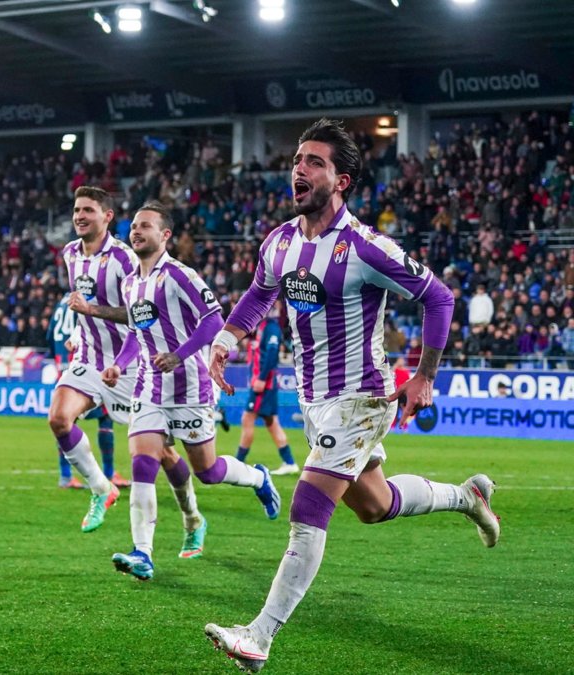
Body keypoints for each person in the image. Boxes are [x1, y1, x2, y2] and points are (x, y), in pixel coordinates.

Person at [203, 119, 500, 673]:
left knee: (308, 504)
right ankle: (466, 497)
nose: (299, 168)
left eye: (314, 162)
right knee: (373, 504)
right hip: (316, 401)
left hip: (361, 397)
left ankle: (259, 635)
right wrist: (224, 340)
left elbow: (440, 297)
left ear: (341, 181)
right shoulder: (280, 242)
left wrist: (424, 375)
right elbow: (258, 295)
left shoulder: (364, 246)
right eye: (298, 158)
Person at [100, 202, 282, 581]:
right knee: (142, 464)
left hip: (192, 389)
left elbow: (214, 320)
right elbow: (137, 333)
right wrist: (119, 363)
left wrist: (180, 356)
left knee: (209, 472)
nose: (136, 232)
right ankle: (143, 553)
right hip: (150, 388)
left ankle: (259, 478)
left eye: (145, 226)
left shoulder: (180, 275)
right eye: (133, 226)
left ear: (164, 235)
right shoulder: (131, 281)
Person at [48, 186, 138, 532]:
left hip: (128, 364)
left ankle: (196, 514)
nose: (79, 216)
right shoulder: (70, 253)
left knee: (172, 456)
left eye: (87, 210)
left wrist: (91, 310)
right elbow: (84, 305)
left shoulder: (124, 258)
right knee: (58, 418)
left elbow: (138, 315)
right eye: (76, 210)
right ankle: (101, 488)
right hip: (88, 359)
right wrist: (79, 329)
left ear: (107, 216)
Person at [46, 294, 128, 490]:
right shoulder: (85, 298)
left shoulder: (61, 302)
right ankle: (108, 473)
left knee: (66, 420)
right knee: (104, 419)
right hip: (86, 363)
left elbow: (50, 335)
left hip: (63, 363)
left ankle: (66, 476)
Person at [236, 303, 299, 475]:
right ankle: (289, 462)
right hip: (263, 383)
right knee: (272, 423)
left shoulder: (271, 328)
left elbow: (272, 354)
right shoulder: (262, 327)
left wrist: (262, 379)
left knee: (247, 419)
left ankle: (238, 462)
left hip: (264, 384)